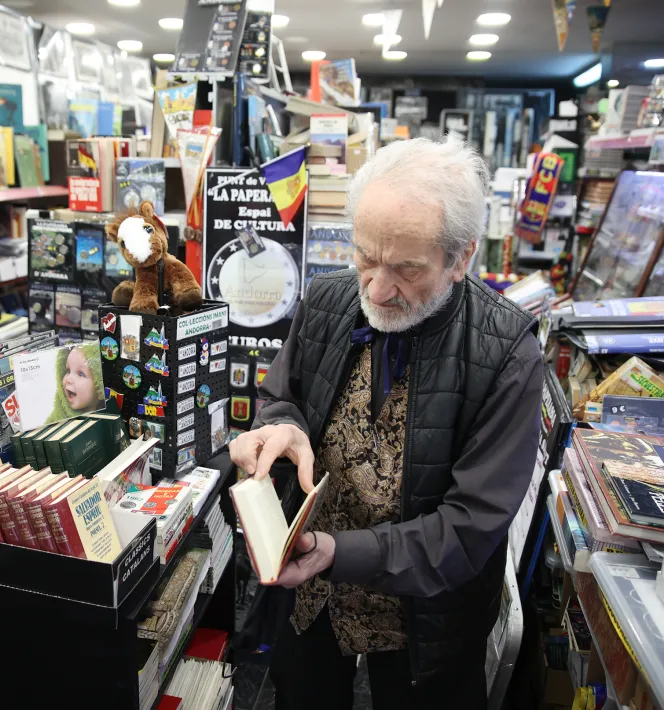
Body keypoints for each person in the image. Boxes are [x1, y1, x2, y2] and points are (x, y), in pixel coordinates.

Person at [230, 137, 543, 710]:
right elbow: (283, 395)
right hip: (312, 602)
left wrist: (336, 551)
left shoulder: (506, 354)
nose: (375, 289)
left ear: (462, 258)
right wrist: (285, 427)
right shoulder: (326, 301)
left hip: (424, 628)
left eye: (406, 269)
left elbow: (472, 526)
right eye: (365, 257)